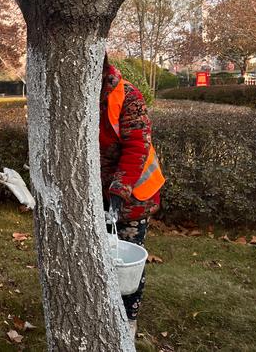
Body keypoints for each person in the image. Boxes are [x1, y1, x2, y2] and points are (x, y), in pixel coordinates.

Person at [100, 55, 165, 339]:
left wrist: (118, 190)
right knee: (102, 255)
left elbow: (137, 146)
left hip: (136, 193)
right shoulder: (80, 98)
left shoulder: (127, 96)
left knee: (127, 261)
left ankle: (128, 318)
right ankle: (103, 309)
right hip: (101, 191)